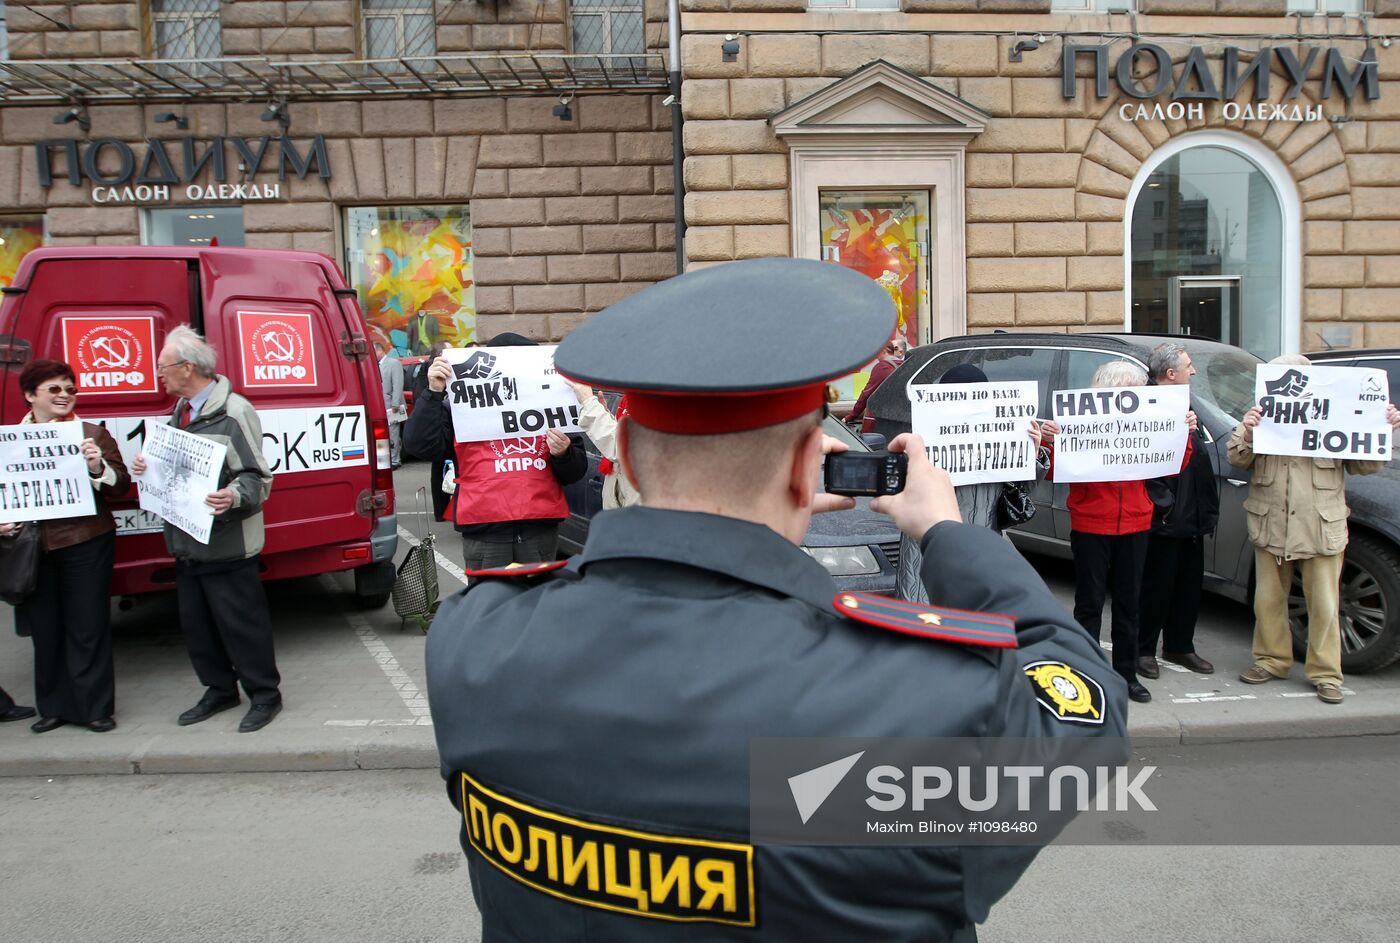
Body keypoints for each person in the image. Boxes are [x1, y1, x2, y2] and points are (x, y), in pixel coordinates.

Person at [426, 258, 1128, 940]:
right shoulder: (917, 703)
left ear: (630, 456)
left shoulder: (473, 641)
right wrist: (948, 531)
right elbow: (1086, 703)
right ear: (808, 465)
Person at [132, 326, 282, 733]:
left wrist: (232, 496)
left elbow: (257, 477)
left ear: (187, 368)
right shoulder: (178, 413)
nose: (158, 374)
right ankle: (218, 689)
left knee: (242, 625)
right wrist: (147, 469)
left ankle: (265, 694)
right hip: (187, 542)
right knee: (197, 627)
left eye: (163, 367)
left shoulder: (234, 412)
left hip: (228, 544)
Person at [1229, 353, 1400, 704]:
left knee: (1324, 605)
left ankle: (1325, 674)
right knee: (1268, 602)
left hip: (1320, 525)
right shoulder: (1259, 416)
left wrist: (1380, 427)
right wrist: (1247, 431)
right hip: (1272, 521)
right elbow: (1237, 458)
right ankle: (1271, 661)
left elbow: (1365, 465)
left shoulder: (1335, 414)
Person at [1042, 359, 1193, 705]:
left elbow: (1174, 462)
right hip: (1092, 523)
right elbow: (1053, 472)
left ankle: (1126, 675)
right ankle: (1086, 674)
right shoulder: (1081, 421)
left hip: (1136, 522)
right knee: (1090, 604)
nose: (1140, 396)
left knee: (1129, 604)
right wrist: (1049, 442)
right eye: (1133, 390)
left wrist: (1183, 431)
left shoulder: (1147, 420)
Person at [0, 360, 129, 733]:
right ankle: (54, 707)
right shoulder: (8, 440)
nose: (64, 395)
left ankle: (94, 708)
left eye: (70, 389)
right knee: (46, 629)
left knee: (87, 625)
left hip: (85, 541)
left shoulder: (92, 434)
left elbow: (120, 486)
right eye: (54, 389)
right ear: (29, 395)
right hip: (30, 547)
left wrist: (96, 466)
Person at [403, 332, 587, 574]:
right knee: (490, 607)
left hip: (538, 530)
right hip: (486, 531)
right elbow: (420, 445)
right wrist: (433, 392)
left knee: (535, 607)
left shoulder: (552, 405)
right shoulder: (461, 408)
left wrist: (563, 453)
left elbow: (575, 472)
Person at [896, 362, 1043, 603]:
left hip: (980, 545)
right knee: (926, 627)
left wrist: (1031, 454)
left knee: (970, 626)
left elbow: (1019, 493)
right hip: (929, 551)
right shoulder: (923, 437)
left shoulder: (998, 435)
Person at [1137, 344, 1218, 678]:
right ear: (1170, 374)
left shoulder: (1182, 405)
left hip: (1191, 516)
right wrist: (1165, 508)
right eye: (1188, 365)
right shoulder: (1149, 406)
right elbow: (1145, 465)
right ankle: (1143, 650)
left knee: (1187, 587)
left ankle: (1180, 645)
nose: (1193, 371)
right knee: (1157, 587)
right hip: (1166, 519)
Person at [568, 381, 640, 509]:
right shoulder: (635, 396)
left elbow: (630, 449)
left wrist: (589, 404)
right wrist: (605, 415)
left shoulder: (670, 398)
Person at [847, 336, 905, 433]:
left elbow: (867, 393)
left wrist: (851, 416)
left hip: (882, 419)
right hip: (901, 418)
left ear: (884, 351)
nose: (876, 356)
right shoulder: (904, 364)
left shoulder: (882, 367)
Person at [378, 341, 406, 468]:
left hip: (392, 405)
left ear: (380, 351)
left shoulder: (393, 363)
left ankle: (395, 459)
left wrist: (395, 403)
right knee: (381, 433)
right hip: (379, 405)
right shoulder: (375, 365)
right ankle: (385, 459)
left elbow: (397, 384)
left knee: (393, 432)